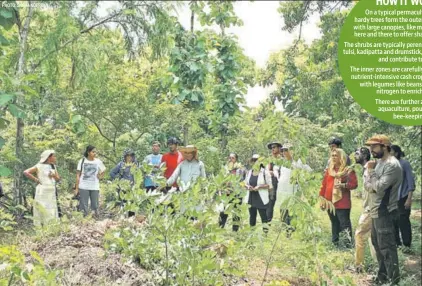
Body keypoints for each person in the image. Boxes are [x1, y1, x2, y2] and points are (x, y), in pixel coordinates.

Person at [364, 135, 402, 285]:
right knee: (377, 245)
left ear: (385, 146)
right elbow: (368, 187)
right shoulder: (378, 163)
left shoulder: (392, 165)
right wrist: (372, 178)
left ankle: (394, 281)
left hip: (384, 210)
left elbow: (378, 188)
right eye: (370, 147)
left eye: (374, 146)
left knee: (387, 247)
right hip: (376, 210)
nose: (371, 150)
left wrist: (371, 173)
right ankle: (382, 277)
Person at [320, 148, 357, 248]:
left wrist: (343, 185)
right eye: (332, 155)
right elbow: (324, 185)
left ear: (342, 157)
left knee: (344, 224)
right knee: (334, 223)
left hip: (342, 202)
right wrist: (322, 199)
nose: (333, 157)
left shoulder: (348, 170)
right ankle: (335, 243)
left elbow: (354, 184)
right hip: (329, 201)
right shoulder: (329, 170)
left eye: (336, 155)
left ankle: (348, 245)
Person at [277, 143, 312, 235]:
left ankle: (292, 231)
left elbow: (309, 171)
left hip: (293, 192)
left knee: (292, 212)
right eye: (283, 150)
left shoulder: (298, 162)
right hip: (283, 192)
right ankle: (285, 231)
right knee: (283, 211)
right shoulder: (283, 163)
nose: (284, 152)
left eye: (286, 150)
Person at [354, 147, 377, 273]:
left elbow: (373, 188)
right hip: (370, 208)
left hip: (370, 209)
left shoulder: (369, 169)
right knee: (372, 238)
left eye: (357, 154)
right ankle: (378, 265)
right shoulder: (366, 169)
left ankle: (359, 266)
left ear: (364, 155)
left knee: (359, 234)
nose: (354, 156)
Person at [23, 150, 60, 226]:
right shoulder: (39, 165)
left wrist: (53, 175)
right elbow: (26, 172)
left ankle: (51, 225)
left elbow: (58, 179)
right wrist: (36, 179)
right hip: (42, 191)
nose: (55, 157)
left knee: (51, 207)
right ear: (48, 157)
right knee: (42, 207)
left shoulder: (53, 166)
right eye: (53, 156)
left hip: (51, 190)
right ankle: (41, 225)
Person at [391, 145, 415, 248]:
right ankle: (397, 244)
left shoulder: (405, 164)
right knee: (393, 221)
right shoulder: (391, 164)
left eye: (391, 152)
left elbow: (410, 183)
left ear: (396, 153)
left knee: (403, 221)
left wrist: (409, 199)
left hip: (403, 196)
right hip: (393, 198)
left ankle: (407, 244)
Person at [75, 145, 106, 217]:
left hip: (94, 186)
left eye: (95, 152)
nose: (95, 153)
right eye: (93, 152)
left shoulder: (98, 161)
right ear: (88, 152)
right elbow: (77, 175)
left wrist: (100, 176)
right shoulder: (82, 161)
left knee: (95, 204)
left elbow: (104, 169)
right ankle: (84, 218)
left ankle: (95, 218)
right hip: (83, 186)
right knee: (83, 204)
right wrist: (77, 188)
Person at [245, 154, 272, 234]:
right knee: (252, 216)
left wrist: (259, 187)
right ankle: (252, 233)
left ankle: (265, 233)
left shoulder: (265, 172)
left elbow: (269, 185)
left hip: (261, 198)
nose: (255, 162)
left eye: (257, 160)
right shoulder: (249, 172)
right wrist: (248, 186)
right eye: (253, 160)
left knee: (263, 217)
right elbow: (245, 183)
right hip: (251, 197)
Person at [219, 153, 244, 232]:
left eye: (232, 158)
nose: (230, 159)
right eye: (229, 157)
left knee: (236, 212)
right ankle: (220, 228)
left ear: (236, 159)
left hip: (237, 194)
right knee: (223, 211)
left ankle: (235, 231)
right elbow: (220, 180)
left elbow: (241, 181)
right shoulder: (225, 169)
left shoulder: (240, 169)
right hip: (226, 194)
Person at [110, 148, 138, 217]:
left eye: (130, 156)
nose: (129, 157)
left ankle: (130, 218)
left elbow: (140, 174)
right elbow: (112, 173)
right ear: (125, 157)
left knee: (132, 204)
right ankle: (122, 219)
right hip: (123, 188)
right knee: (123, 203)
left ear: (133, 156)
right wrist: (118, 181)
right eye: (127, 156)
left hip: (133, 188)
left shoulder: (136, 165)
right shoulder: (121, 164)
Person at [266, 141, 283, 223]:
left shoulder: (283, 159)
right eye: (271, 148)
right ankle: (267, 224)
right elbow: (268, 170)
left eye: (274, 147)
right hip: (273, 183)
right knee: (270, 203)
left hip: (282, 183)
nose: (272, 149)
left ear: (279, 148)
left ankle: (285, 224)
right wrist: (271, 172)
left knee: (283, 205)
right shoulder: (271, 160)